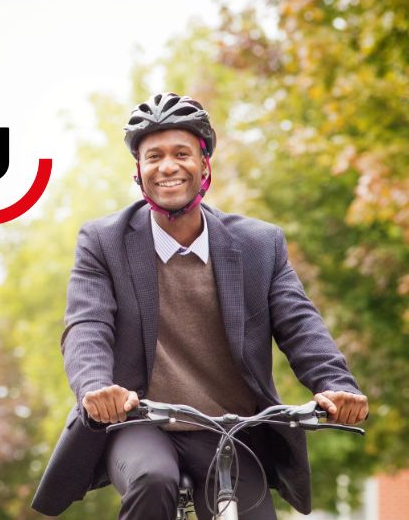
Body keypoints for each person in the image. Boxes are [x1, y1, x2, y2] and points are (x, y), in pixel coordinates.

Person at [30, 92, 368, 519]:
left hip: (229, 427)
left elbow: (300, 324)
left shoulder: (258, 245)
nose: (167, 166)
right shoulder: (104, 243)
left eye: (181, 153)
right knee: (154, 480)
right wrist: (96, 388)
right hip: (140, 422)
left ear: (204, 164)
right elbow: (87, 326)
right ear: (139, 171)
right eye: (153, 156)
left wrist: (338, 385)